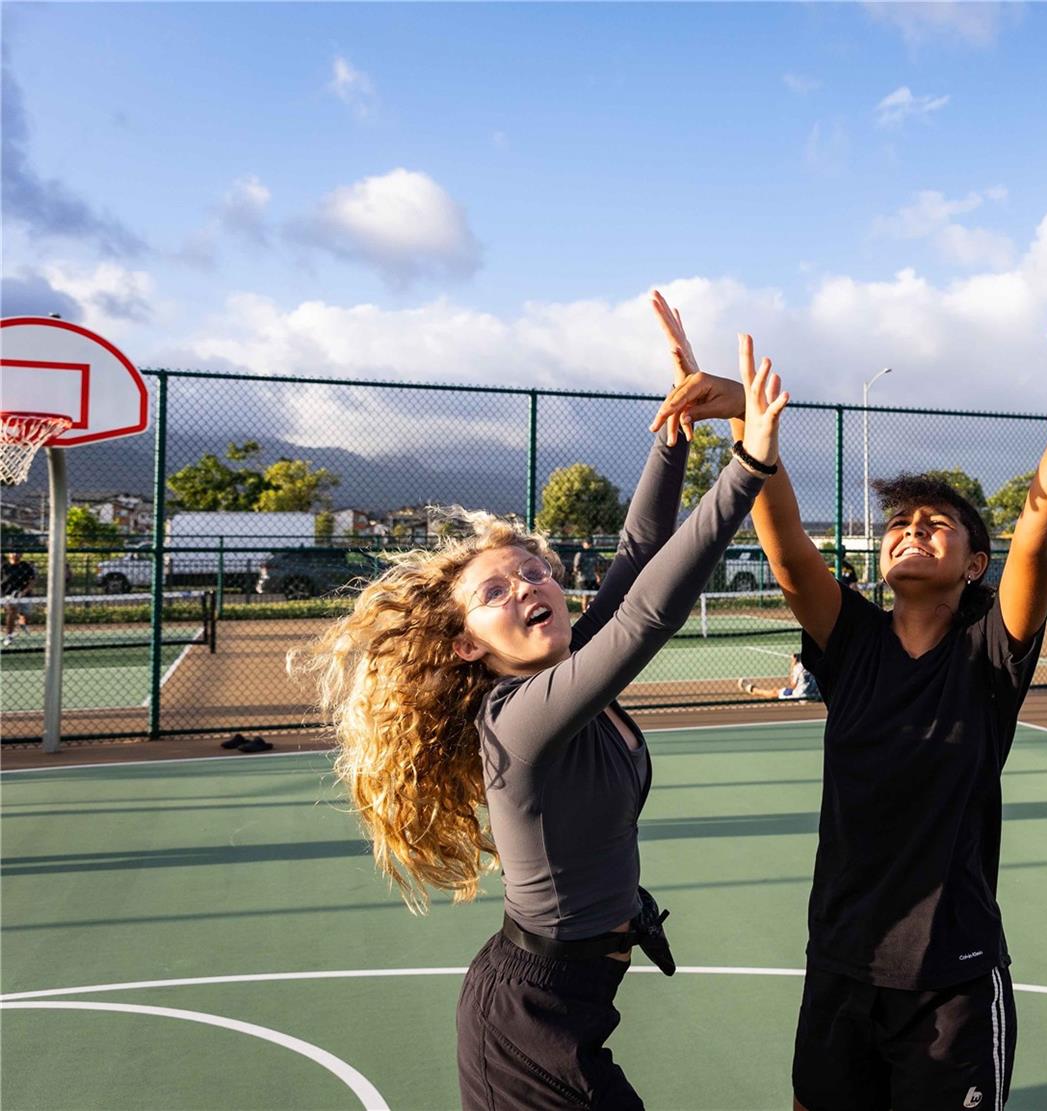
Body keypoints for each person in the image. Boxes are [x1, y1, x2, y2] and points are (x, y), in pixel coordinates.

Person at [301, 291, 788, 1110]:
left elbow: (638, 552)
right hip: (528, 1024)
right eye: (495, 590)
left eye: (534, 571)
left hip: (570, 1004)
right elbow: (645, 615)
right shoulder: (516, 719)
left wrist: (676, 426)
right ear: (466, 644)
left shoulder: (564, 671)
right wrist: (747, 466)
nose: (529, 585)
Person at [657, 318, 1047, 1111]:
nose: (911, 530)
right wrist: (749, 420)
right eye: (899, 525)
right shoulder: (852, 641)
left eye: (934, 524)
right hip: (842, 959)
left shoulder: (988, 654)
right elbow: (787, 551)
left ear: (974, 564)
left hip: (950, 976)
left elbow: (1038, 536)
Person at [738, 653, 820, 701]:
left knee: (775, 692)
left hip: (800, 696)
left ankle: (752, 689)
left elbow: (793, 685)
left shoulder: (798, 667)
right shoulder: (816, 664)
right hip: (815, 695)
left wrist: (792, 665)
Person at [2, 550, 37, 647]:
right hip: (8, 595)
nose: (15, 554)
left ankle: (21, 622)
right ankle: (9, 636)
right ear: (9, 554)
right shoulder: (4, 567)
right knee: (11, 611)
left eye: (18, 553)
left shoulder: (26, 567)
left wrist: (23, 592)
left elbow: (32, 581)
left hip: (25, 595)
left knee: (26, 615)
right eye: (12, 552)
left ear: (21, 555)